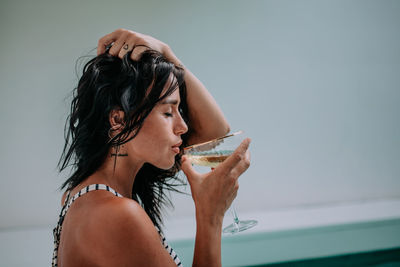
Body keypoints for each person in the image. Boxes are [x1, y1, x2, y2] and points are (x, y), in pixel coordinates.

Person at [53, 28, 251, 267]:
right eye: (168, 112)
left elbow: (215, 134)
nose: (183, 126)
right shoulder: (117, 215)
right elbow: (216, 135)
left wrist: (166, 53)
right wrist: (211, 216)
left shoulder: (85, 194)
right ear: (118, 120)